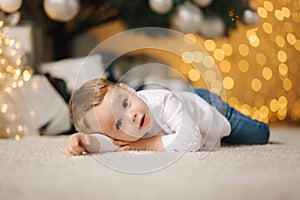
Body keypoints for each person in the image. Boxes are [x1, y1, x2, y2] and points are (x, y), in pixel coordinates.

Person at [64, 78, 270, 156]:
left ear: (128, 90)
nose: (132, 116)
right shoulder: (118, 131)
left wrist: (145, 144)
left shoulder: (163, 101)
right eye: (118, 124)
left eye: (126, 104)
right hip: (185, 121)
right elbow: (109, 143)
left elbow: (191, 139)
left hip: (207, 107)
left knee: (259, 135)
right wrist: (84, 142)